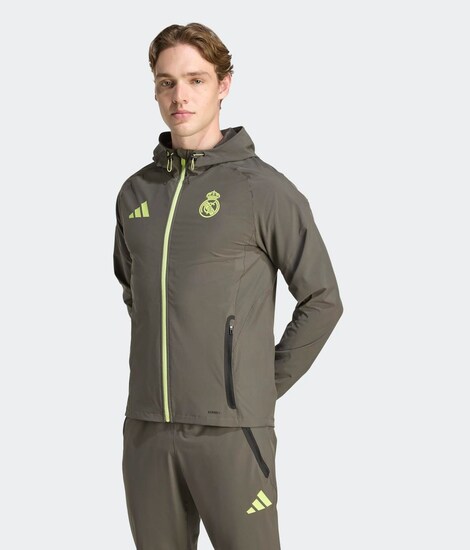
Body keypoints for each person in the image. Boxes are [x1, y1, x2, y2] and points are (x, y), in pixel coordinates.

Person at [113, 21, 344, 549]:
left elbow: (322, 299)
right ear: (155, 90)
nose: (180, 96)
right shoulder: (134, 194)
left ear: (224, 85)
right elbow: (136, 294)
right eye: (167, 82)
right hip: (146, 429)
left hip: (232, 433)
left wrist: (258, 384)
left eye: (195, 79)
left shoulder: (263, 190)